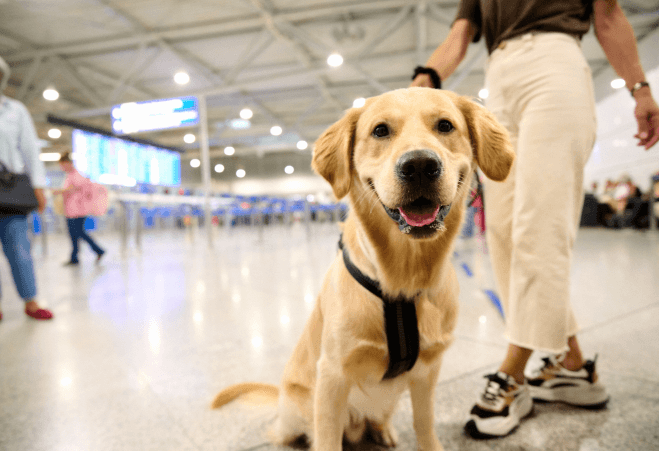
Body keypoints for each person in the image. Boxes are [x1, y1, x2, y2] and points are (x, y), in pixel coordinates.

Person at [411, 0, 659, 438]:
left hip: (555, 65)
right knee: (503, 232)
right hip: (499, 77)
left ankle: (514, 371)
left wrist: (640, 89)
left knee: (538, 226)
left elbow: (608, 16)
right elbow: (459, 36)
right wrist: (426, 81)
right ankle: (573, 367)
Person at [0, 56, 53, 320]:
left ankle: (30, 301)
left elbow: (30, 150)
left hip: (11, 188)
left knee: (20, 249)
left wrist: (39, 186)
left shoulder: (15, 110)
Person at [53, 151, 105, 266]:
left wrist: (58, 191)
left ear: (67, 163)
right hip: (71, 211)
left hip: (78, 210)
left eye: (62, 165)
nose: (61, 167)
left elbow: (72, 189)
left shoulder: (76, 175)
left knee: (79, 232)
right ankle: (75, 257)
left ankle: (98, 250)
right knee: (74, 234)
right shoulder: (70, 176)